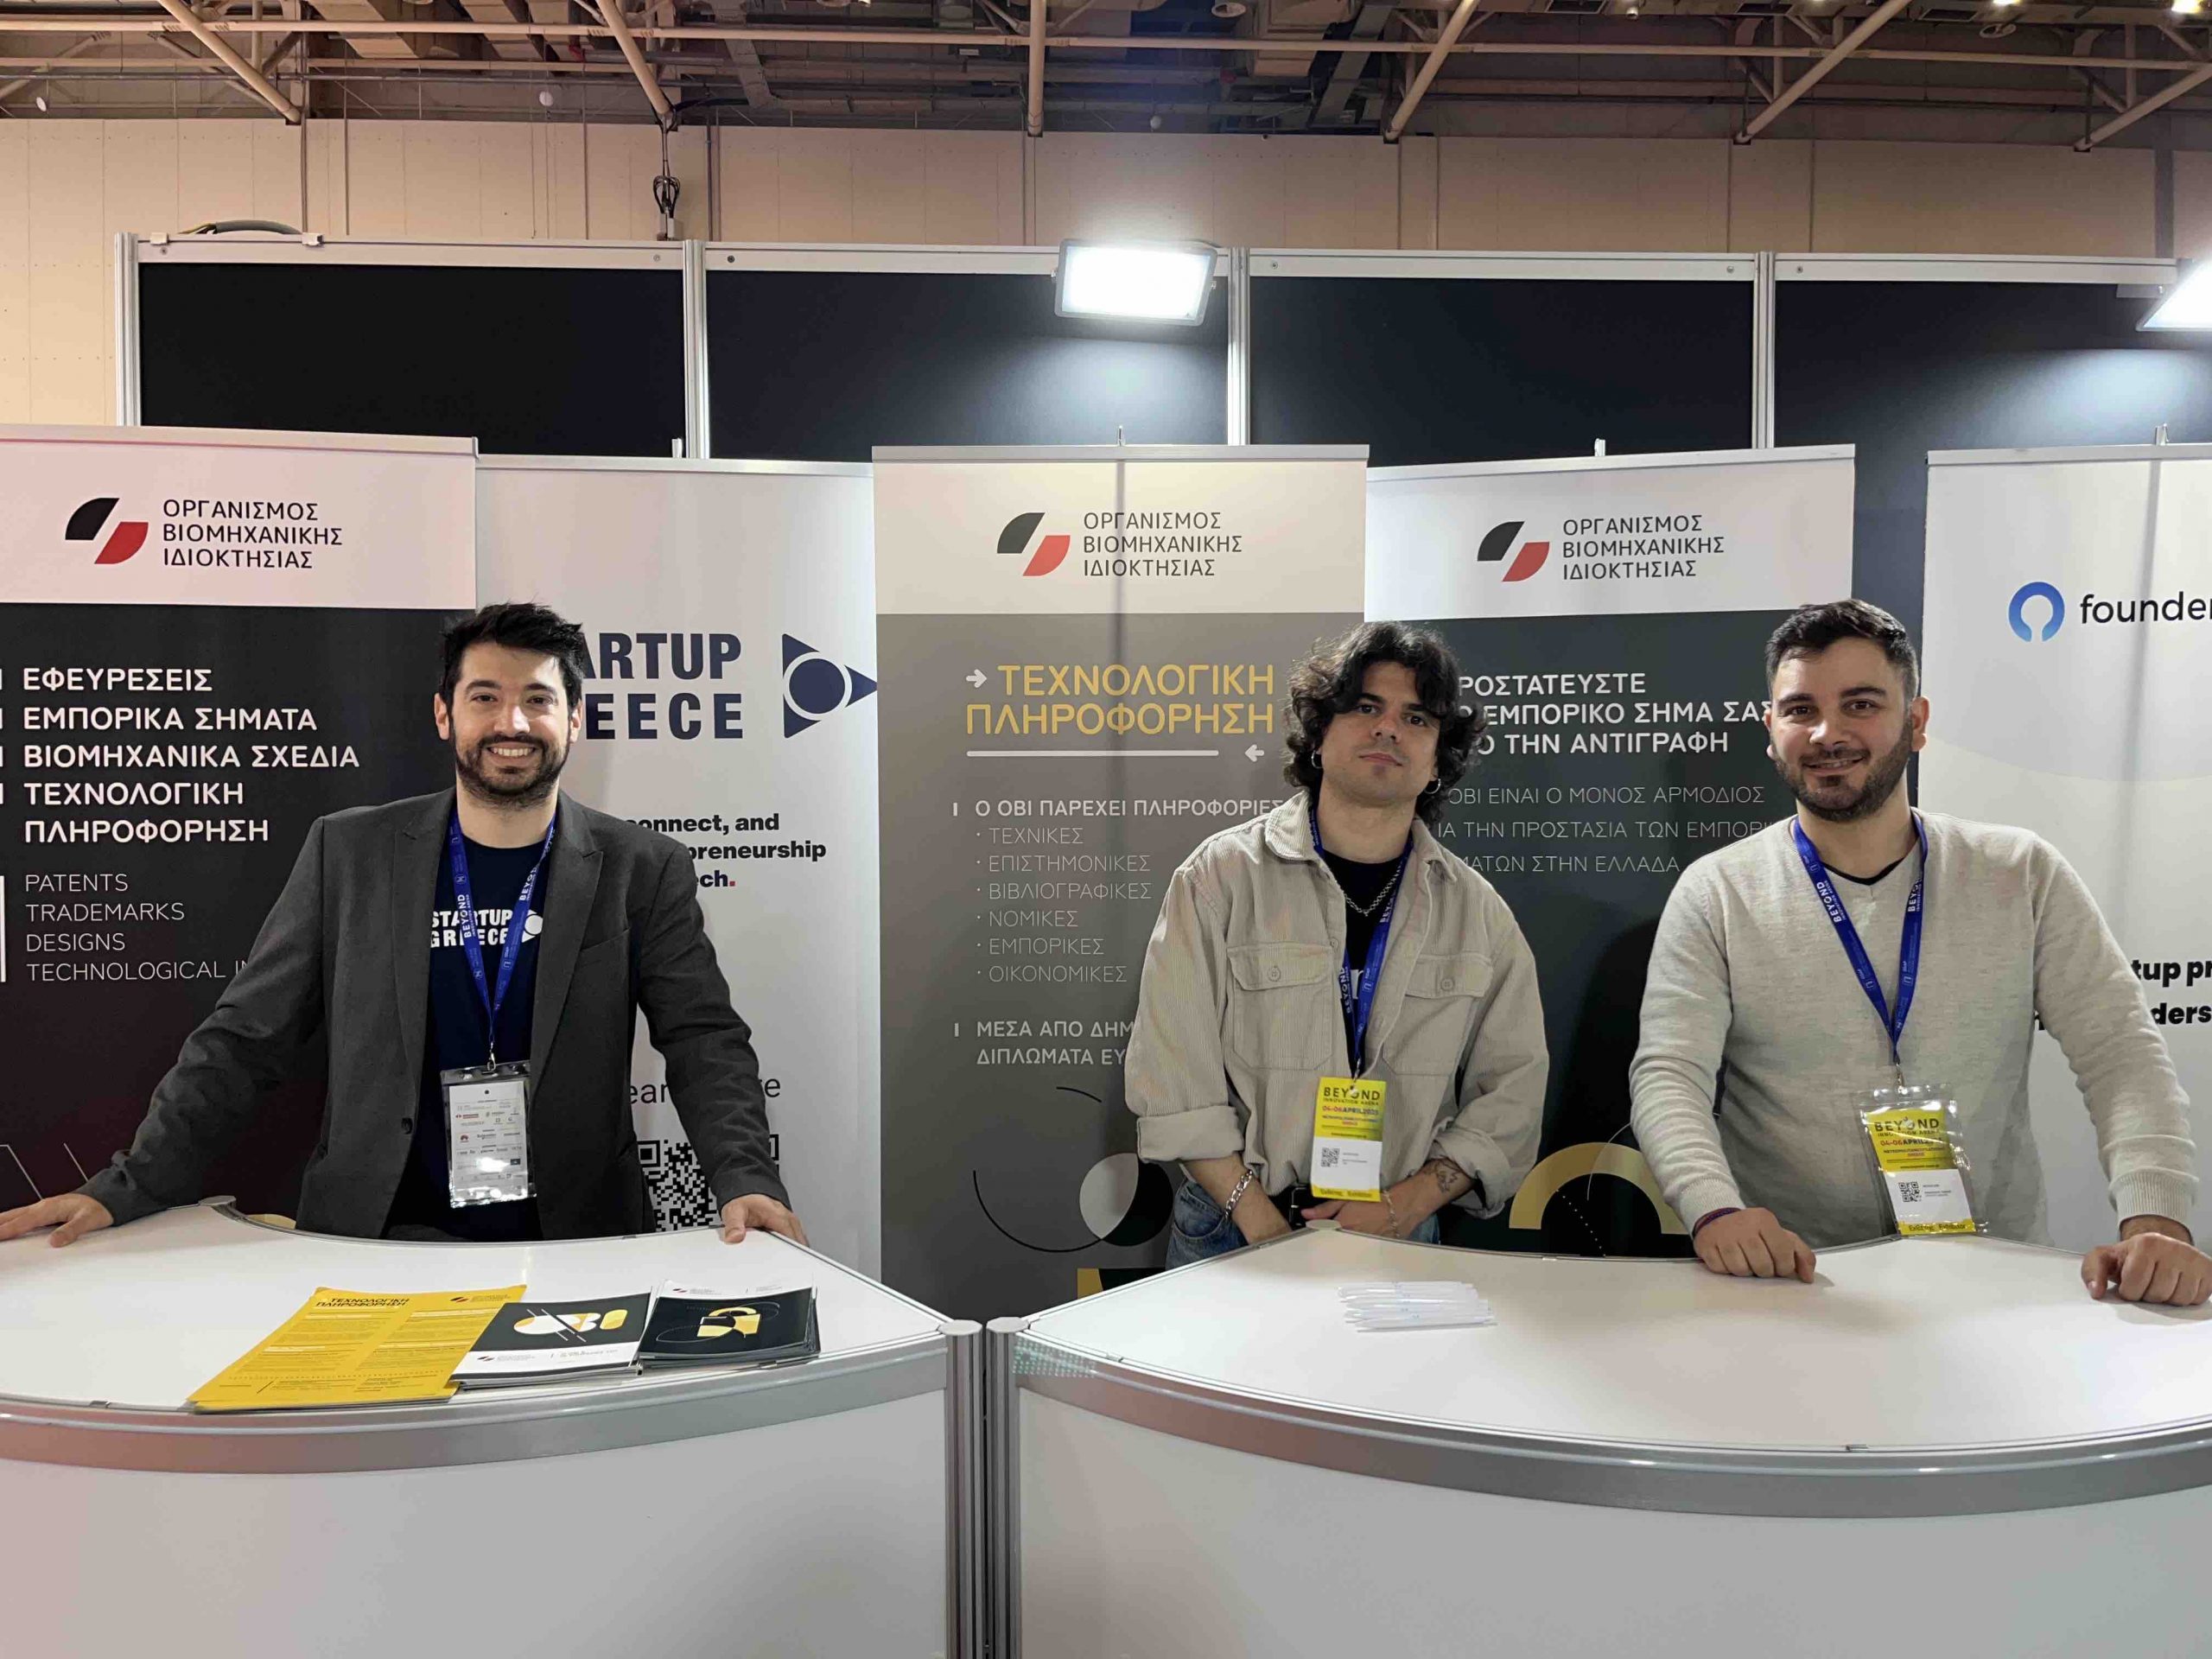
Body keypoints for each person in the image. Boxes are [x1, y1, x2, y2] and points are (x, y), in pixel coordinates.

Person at [0, 602, 803, 1250]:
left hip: (575, 1236)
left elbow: (702, 1039)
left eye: (538, 699)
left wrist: (747, 1180)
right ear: (443, 714)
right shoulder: (348, 852)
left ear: (574, 720)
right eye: (484, 696)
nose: (512, 721)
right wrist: (129, 1186)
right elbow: (246, 1038)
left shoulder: (641, 867)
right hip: (374, 1236)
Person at [1630, 600, 2205, 1305]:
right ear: (1771, 731)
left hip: (1993, 1281)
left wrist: (2157, 1221)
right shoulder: (1717, 891)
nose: (1828, 733)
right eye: (1801, 709)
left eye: (1861, 704)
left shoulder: (2019, 873)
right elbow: (1669, 1075)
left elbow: (2121, 1054)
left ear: (1917, 721)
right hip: (1795, 1283)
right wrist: (1715, 1209)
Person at [1125, 621, 1548, 1267]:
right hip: (1234, 1230)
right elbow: (1173, 1076)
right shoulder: (1220, 879)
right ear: (1320, 735)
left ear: (1438, 760)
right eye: (1366, 708)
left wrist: (1405, 1204)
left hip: (1398, 1234)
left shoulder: (1477, 913)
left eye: (1416, 718)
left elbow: (1513, 1094)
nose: (1388, 729)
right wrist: (1261, 1224)